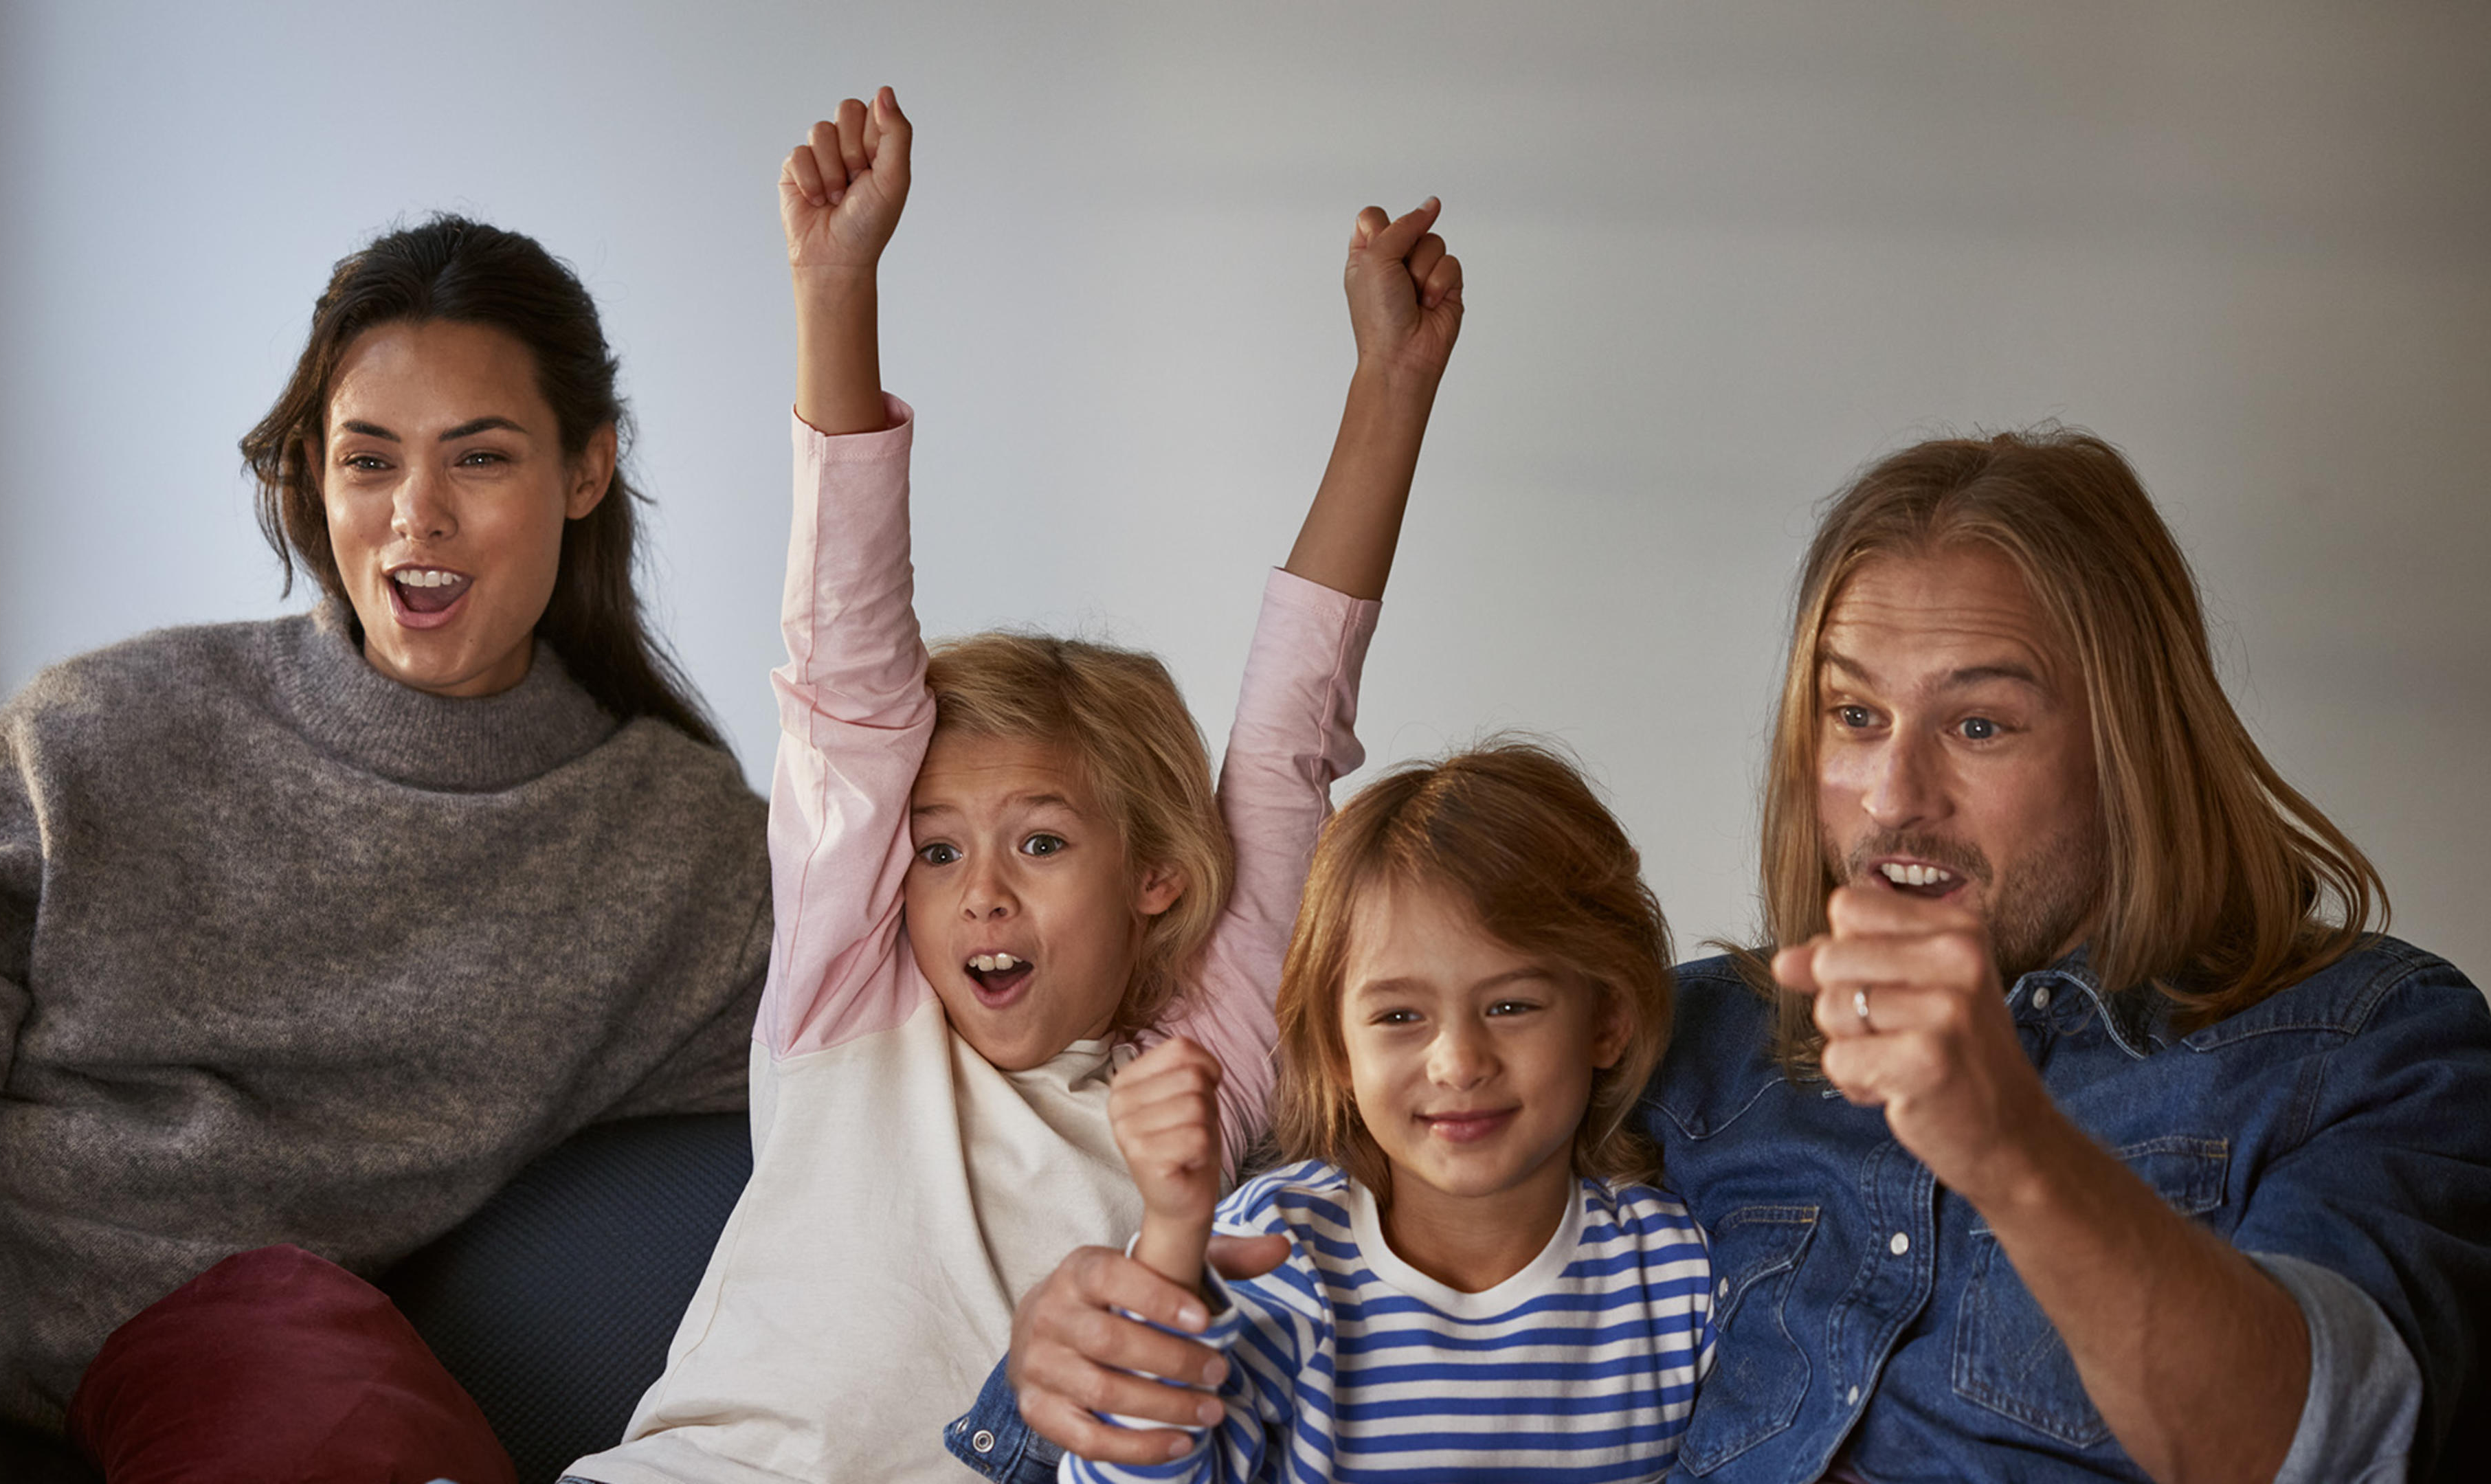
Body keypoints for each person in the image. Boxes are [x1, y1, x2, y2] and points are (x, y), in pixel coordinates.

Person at [996, 431, 2491, 1482]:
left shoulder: (2372, 1043)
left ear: (2133, 745)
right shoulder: (1685, 1045)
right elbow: (1340, 1217)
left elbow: (2314, 1454)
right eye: (1853, 717)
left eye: (1978, 724)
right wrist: (1077, 1345)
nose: (1895, 796)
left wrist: (2011, 1146)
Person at [560, 89, 1464, 1484]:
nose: (977, 889)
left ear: (1155, 872)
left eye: (1040, 842)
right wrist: (837, 287)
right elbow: (844, 669)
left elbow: (1292, 736)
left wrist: (1390, 386)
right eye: (935, 852)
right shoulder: (850, 1001)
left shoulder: (1195, 1076)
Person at [0, 215, 776, 1466]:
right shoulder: (98, 730)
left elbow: (915, 1007)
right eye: (370, 461)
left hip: (235, 1348)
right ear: (314, 475)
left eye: (479, 460)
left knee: (309, 1346)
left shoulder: (679, 851)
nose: (417, 516)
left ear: (585, 472)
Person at [1064, 741, 1712, 1483]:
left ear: (1606, 1022)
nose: (1459, 1063)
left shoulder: (1673, 1277)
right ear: (1338, 1052)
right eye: (1401, 1016)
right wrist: (1174, 1238)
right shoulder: (1279, 1251)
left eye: (1510, 1006)